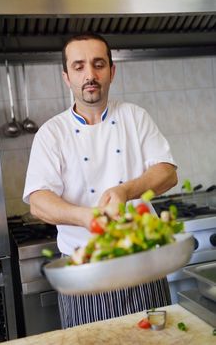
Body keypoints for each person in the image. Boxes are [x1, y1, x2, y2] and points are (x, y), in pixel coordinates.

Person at [23, 32, 178, 329]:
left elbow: (167, 173)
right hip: (85, 272)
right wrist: (86, 218)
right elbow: (39, 202)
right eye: (79, 67)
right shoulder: (52, 133)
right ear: (67, 77)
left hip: (143, 264)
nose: (90, 75)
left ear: (112, 71)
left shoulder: (135, 117)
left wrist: (125, 190)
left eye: (98, 64)